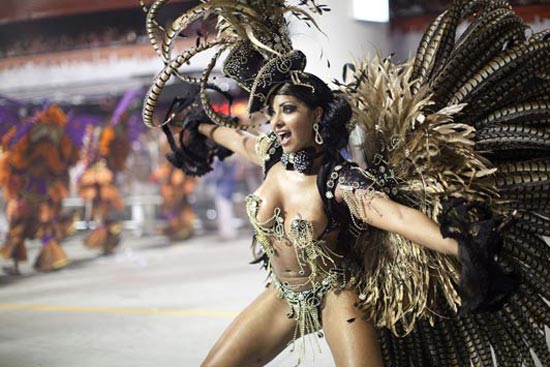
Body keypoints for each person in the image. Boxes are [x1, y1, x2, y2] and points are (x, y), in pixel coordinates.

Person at [142, 1, 550, 366]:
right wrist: (203, 127)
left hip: (336, 295)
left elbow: (395, 216)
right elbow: (238, 139)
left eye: (288, 110)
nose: (277, 120)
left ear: (316, 115)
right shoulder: (270, 154)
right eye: (272, 112)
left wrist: (463, 246)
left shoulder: (337, 180)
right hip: (285, 296)